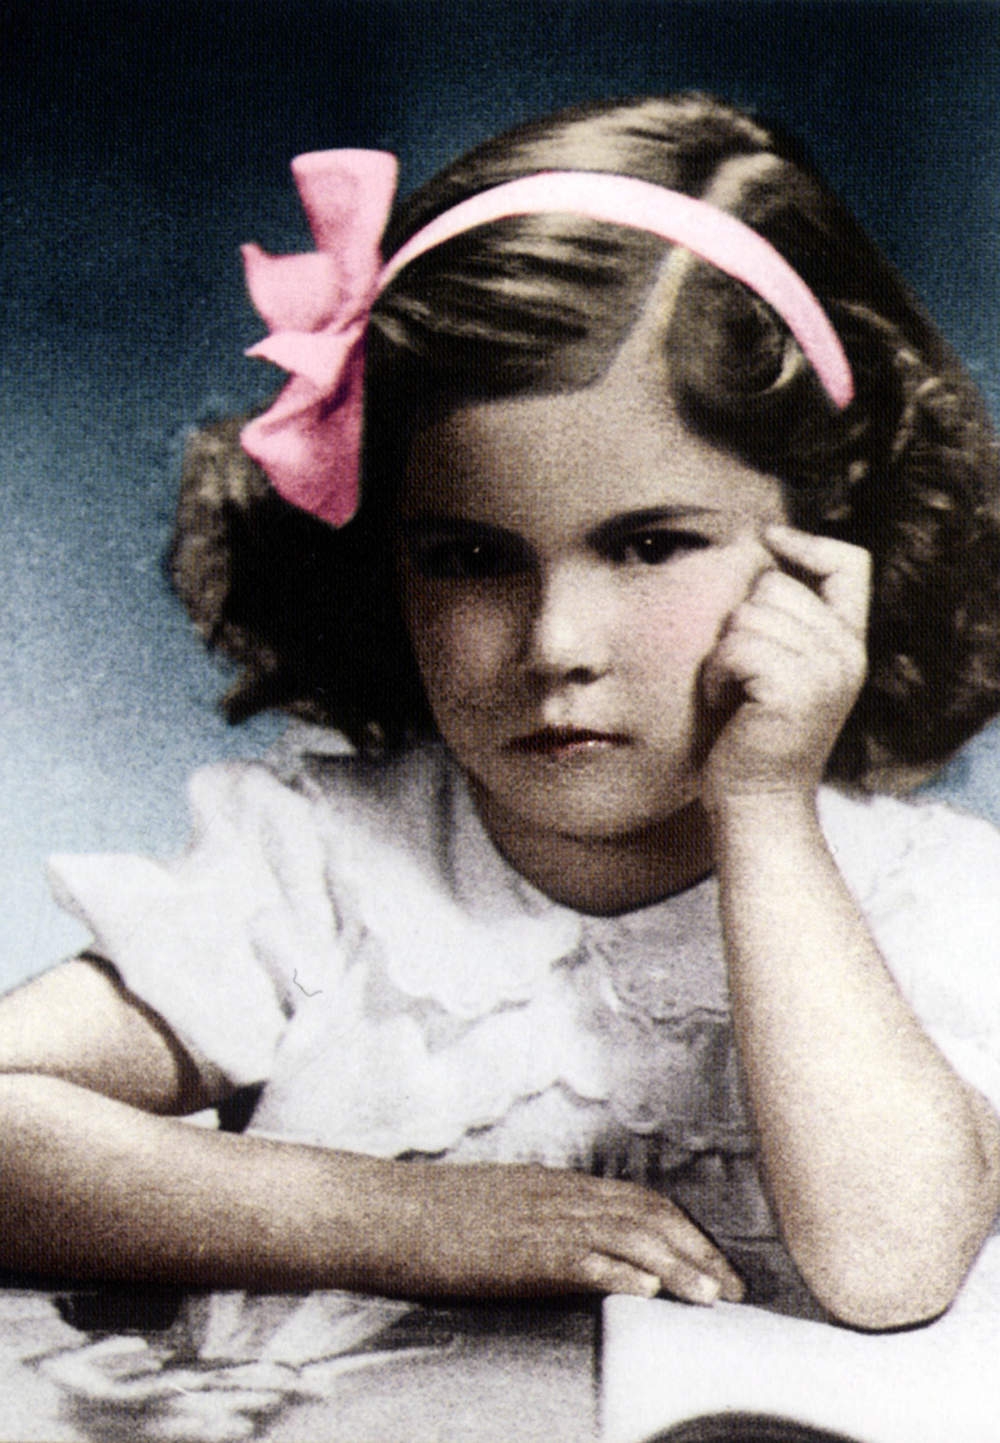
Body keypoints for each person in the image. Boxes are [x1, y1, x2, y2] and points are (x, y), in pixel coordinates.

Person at [3, 92, 1000, 1334]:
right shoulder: (326, 872)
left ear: (824, 544)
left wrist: (761, 808)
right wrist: (397, 1219)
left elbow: (890, 1267)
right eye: (471, 558)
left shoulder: (927, 902)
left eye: (648, 545)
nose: (554, 646)